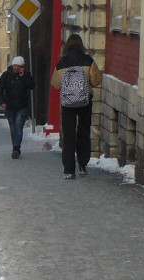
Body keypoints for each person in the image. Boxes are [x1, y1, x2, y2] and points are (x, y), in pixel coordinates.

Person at [51, 33, 102, 179]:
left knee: (69, 134)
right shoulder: (88, 61)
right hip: (85, 101)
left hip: (67, 103)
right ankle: (83, 164)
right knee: (83, 131)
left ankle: (69, 169)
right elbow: (96, 80)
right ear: (81, 45)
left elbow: (55, 83)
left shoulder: (61, 63)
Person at [0, 56, 35, 159]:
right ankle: (15, 146)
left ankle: (16, 148)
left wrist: (24, 77)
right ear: (12, 65)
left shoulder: (26, 75)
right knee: (13, 127)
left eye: (19, 66)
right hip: (9, 106)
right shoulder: (6, 75)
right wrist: (2, 101)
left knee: (18, 126)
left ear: (22, 67)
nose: (17, 68)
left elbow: (31, 86)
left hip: (21, 106)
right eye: (15, 66)